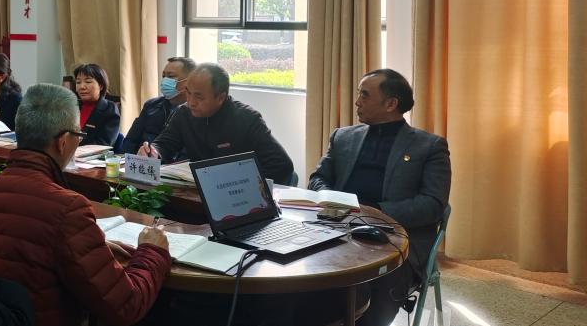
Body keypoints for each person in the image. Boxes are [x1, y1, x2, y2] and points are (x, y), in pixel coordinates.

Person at [0, 84, 171, 326]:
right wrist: (152, 251)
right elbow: (125, 305)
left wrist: (89, 244)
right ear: (63, 142)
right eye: (78, 136)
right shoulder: (67, 209)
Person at [307, 69, 451, 326]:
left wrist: (375, 212)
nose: (357, 101)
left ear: (391, 104)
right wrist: (331, 199)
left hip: (394, 238)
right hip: (336, 225)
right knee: (300, 276)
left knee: (370, 293)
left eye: (365, 95)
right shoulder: (343, 137)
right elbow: (318, 178)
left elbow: (432, 205)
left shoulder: (429, 147)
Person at [138, 63, 294, 185]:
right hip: (198, 191)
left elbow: (281, 165)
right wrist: (153, 152)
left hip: (236, 193)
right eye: (188, 93)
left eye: (199, 97)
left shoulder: (246, 118)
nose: (191, 102)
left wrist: (242, 182)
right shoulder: (184, 113)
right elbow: (165, 144)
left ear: (220, 98)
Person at [122, 56, 196, 154]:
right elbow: (130, 140)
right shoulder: (151, 105)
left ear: (189, 81)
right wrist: (130, 159)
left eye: (171, 76)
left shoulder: (195, 111)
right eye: (163, 76)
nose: (165, 81)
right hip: (140, 159)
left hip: (170, 161)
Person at [72, 63, 120, 147]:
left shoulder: (109, 109)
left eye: (88, 82)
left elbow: (103, 144)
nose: (82, 87)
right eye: (78, 82)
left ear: (101, 86)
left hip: (90, 155)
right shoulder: (71, 106)